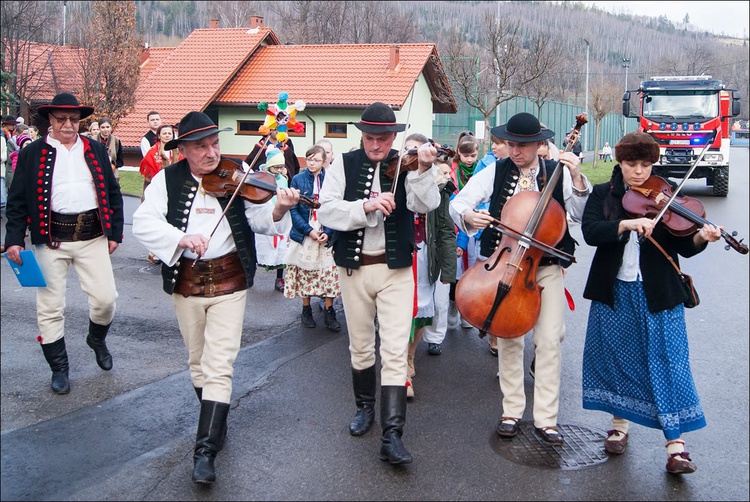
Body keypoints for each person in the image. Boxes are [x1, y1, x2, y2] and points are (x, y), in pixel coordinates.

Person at [132, 111, 299, 485]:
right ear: (185, 150)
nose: (211, 153)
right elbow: (144, 221)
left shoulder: (236, 174)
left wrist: (281, 207)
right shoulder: (167, 180)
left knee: (220, 362)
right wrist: (180, 239)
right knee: (198, 362)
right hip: (186, 281)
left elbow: (260, 219)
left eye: (214, 144)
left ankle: (204, 451)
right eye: (201, 146)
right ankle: (216, 418)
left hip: (230, 280)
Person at [580, 132, 722, 474]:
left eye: (646, 165)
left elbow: (685, 246)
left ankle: (676, 448)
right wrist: (627, 223)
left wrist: (703, 235)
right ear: (620, 162)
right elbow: (590, 232)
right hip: (614, 290)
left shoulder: (668, 195)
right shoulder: (604, 194)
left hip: (658, 293)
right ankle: (619, 426)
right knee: (617, 357)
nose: (639, 172)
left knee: (668, 362)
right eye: (632, 164)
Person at [449, 112, 591, 445]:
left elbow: (579, 214)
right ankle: (511, 410)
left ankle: (546, 419)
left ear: (539, 144)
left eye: (523, 146)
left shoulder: (556, 173)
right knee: (508, 336)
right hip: (504, 264)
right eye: (511, 144)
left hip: (546, 266)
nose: (516, 151)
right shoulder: (494, 171)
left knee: (550, 340)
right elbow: (459, 204)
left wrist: (578, 177)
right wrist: (469, 215)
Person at [317, 102, 440, 465]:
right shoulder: (344, 163)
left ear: (394, 137)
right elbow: (326, 209)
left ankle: (392, 435)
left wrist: (424, 169)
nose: (376, 146)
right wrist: (364, 208)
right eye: (370, 138)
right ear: (362, 136)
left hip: (396, 269)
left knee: (394, 348)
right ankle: (364, 408)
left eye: (383, 139)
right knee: (360, 346)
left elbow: (426, 204)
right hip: (354, 269)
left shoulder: (408, 163)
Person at [3, 92, 124, 395]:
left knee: (105, 299)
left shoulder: (94, 149)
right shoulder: (33, 154)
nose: (68, 124)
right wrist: (14, 240)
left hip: (92, 237)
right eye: (61, 119)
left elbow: (112, 193)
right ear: (51, 120)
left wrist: (114, 234)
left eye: (73, 119)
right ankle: (60, 368)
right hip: (50, 241)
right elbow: (17, 201)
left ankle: (96, 339)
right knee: (50, 307)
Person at [404, 133, 457, 399]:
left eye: (418, 149)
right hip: (399, 252)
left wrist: (449, 268)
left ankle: (410, 355)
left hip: (426, 252)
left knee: (424, 307)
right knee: (399, 310)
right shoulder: (392, 178)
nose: (413, 154)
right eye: (408, 150)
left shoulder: (441, 184)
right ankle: (399, 367)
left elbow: (447, 229)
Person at [284, 144, 341, 331]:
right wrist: (308, 230)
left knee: (329, 273)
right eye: (309, 159)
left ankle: (329, 310)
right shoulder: (298, 180)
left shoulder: (331, 179)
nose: (311, 163)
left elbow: (336, 206)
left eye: (316, 159)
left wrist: (329, 231)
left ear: (324, 161)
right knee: (305, 272)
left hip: (325, 229)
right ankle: (306, 309)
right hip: (305, 231)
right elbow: (293, 210)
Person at [253, 147, 291, 292]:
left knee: (281, 249)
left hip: (280, 215)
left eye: (282, 166)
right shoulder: (260, 177)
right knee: (260, 247)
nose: (280, 169)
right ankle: (252, 274)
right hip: (265, 214)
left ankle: (279, 279)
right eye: (277, 167)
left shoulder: (283, 179)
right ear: (269, 166)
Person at [96, 117, 123, 182]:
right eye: (103, 127)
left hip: (112, 173)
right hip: (97, 172)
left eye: (107, 127)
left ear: (111, 127)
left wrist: (113, 165)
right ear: (99, 128)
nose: (105, 129)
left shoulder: (116, 141)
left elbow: (120, 161)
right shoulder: (93, 140)